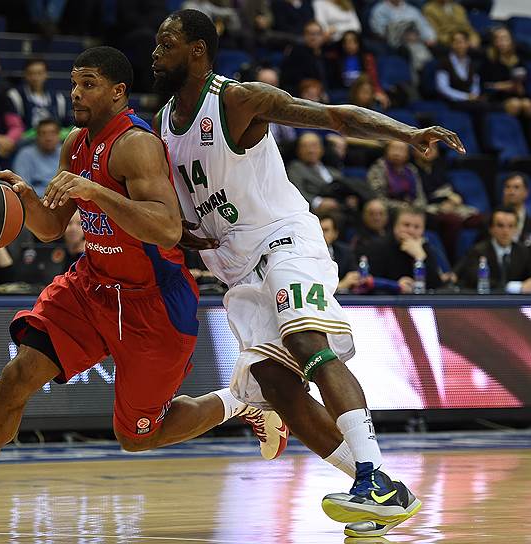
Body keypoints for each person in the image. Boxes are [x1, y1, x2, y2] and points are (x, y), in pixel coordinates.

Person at [0, 46, 286, 537]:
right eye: (74, 83)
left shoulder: (136, 145)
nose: (76, 93)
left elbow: (166, 229)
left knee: (138, 436)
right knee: (17, 377)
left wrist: (95, 192)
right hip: (92, 285)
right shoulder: (76, 143)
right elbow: (51, 227)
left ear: (118, 92)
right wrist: (22, 194)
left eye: (89, 84)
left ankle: (240, 401)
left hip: (152, 302)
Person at [151, 9, 463, 536]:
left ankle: (372, 477)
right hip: (235, 265)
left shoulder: (238, 98)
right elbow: (185, 211)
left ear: (198, 50)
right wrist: (185, 234)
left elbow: (336, 117)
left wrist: (406, 132)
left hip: (283, 239)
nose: (155, 53)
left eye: (167, 43)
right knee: (277, 385)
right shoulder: (163, 123)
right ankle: (380, 486)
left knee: (306, 341)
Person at [364, 205, 442, 292]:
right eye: (406, 225)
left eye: (417, 227)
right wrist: (395, 286)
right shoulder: (378, 247)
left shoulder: (424, 248)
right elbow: (369, 283)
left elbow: (436, 287)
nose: (411, 231)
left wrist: (420, 257)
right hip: (387, 302)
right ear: (395, 227)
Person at [454, 207, 531, 293]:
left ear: (516, 229)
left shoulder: (524, 252)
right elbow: (475, 280)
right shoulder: (477, 251)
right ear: (491, 229)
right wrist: (510, 287)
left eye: (511, 226)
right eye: (500, 226)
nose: (505, 231)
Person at [480, 26, 531, 119]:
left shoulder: (519, 60)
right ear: (494, 42)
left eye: (505, 38)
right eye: (498, 39)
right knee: (515, 104)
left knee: (527, 104)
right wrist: (502, 86)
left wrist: (519, 86)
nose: (502, 42)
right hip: (497, 97)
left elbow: (524, 85)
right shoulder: (489, 61)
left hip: (517, 96)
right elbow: (484, 85)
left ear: (511, 41)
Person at [11, 119, 62, 197]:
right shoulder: (25, 155)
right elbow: (22, 186)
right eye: (43, 134)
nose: (48, 138)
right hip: (36, 200)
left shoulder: (66, 152)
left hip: (63, 199)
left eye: (52, 133)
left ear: (59, 135)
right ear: (37, 136)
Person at [7, 59, 60, 130]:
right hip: (26, 139)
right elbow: (14, 125)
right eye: (31, 73)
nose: (35, 78)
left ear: (46, 74)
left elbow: (65, 124)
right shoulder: (15, 95)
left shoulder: (58, 97)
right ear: (25, 74)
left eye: (39, 73)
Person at [319, 213, 360, 292]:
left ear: (335, 234)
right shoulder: (304, 254)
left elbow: (354, 277)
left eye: (325, 230)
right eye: (318, 230)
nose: (321, 234)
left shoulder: (345, 252)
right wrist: (340, 285)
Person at [501, 173, 531, 246]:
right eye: (507, 187)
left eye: (516, 187)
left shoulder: (529, 220)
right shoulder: (491, 220)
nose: (511, 192)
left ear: (526, 192)